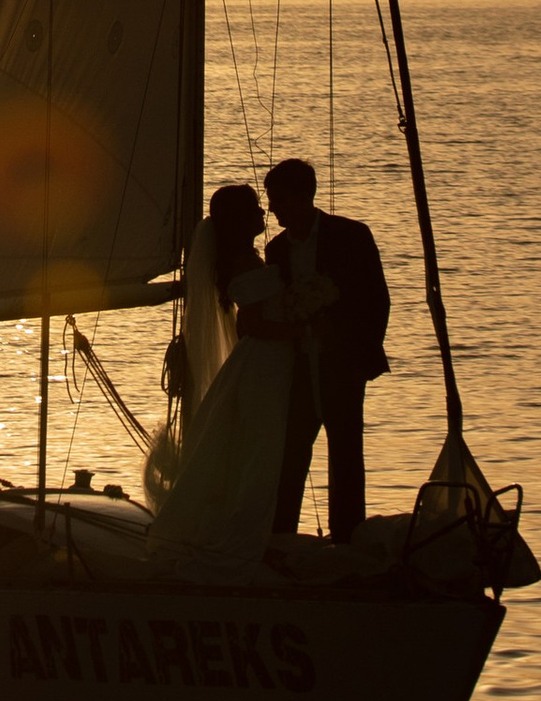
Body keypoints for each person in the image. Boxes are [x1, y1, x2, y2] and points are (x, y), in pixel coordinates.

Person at [144, 183, 334, 573]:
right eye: (254, 209)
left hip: (271, 363)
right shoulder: (242, 263)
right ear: (238, 219)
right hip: (264, 363)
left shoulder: (246, 257)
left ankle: (255, 529)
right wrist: (300, 328)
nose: (262, 213)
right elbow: (253, 323)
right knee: (258, 449)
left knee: (258, 448)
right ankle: (242, 535)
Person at [263, 155, 390, 537]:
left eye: (279, 199)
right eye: (270, 199)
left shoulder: (351, 235)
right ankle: (281, 533)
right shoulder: (276, 250)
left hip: (343, 362)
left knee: (346, 452)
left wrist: (354, 350)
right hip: (298, 365)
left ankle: (348, 535)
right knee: (292, 451)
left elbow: (376, 300)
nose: (272, 208)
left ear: (305, 195)